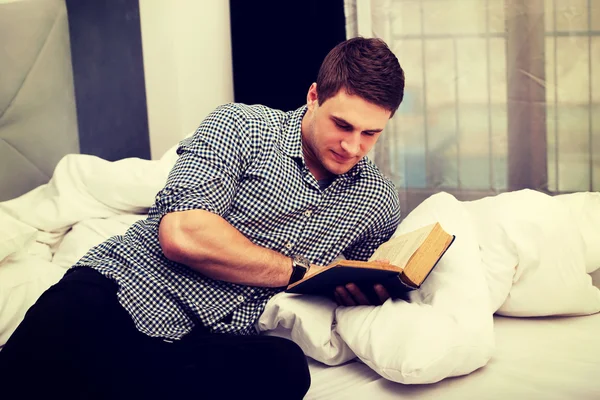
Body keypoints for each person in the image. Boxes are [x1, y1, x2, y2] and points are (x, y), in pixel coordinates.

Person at [0, 36, 405, 399]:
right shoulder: (240, 126)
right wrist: (299, 272)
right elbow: (183, 234)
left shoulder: (377, 201)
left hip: (200, 344)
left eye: (371, 133)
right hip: (117, 295)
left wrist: (363, 289)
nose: (353, 146)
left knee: (285, 368)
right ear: (314, 96)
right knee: (57, 346)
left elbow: (353, 278)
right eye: (342, 125)